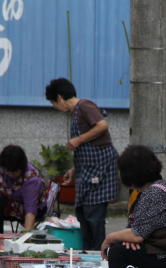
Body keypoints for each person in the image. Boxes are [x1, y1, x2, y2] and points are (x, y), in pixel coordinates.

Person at [45, 77, 118, 250]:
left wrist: (78, 139)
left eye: (54, 103)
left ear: (60, 98)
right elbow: (90, 145)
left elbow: (102, 125)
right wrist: (74, 169)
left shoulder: (85, 106)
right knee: (83, 215)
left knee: (94, 216)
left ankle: (99, 254)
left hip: (99, 170)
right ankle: (88, 252)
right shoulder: (76, 112)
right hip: (86, 170)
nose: (57, 108)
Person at [0, 145, 46, 232]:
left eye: (13, 172)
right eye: (7, 171)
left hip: (28, 208)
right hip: (10, 199)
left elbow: (30, 209)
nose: (9, 174)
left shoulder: (31, 180)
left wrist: (25, 236)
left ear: (21, 168)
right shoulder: (4, 162)